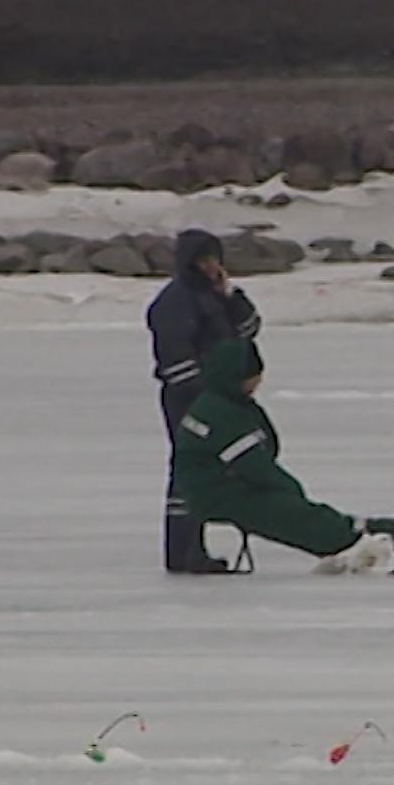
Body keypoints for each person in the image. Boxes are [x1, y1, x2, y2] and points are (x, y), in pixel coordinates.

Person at [172, 339, 394, 574]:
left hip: (224, 488)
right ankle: (390, 540)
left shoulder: (218, 403)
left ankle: (385, 533)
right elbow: (255, 466)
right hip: (224, 495)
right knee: (302, 517)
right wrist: (290, 491)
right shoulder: (221, 413)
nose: (259, 380)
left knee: (309, 514)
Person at [147, 229, 261, 573]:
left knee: (206, 467)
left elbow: (249, 329)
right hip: (188, 398)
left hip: (217, 398)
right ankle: (182, 551)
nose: (211, 266)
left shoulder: (216, 296)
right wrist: (204, 392)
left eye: (215, 259)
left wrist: (232, 295)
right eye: (204, 260)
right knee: (188, 469)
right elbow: (174, 357)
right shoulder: (174, 301)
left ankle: (193, 548)